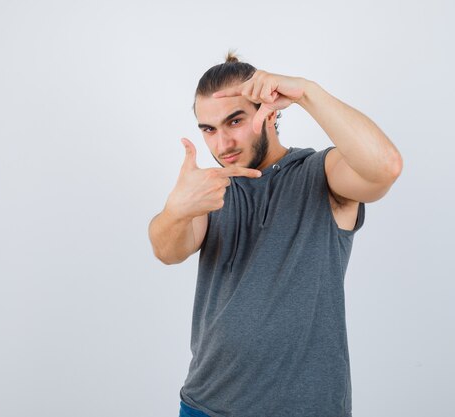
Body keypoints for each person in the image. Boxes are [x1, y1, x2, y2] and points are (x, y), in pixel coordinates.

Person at [148, 52, 403, 417]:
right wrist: (177, 210)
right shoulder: (211, 190)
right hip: (205, 406)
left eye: (234, 121)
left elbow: (385, 167)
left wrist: (308, 93)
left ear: (269, 113)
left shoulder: (320, 174)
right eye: (209, 129)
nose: (222, 145)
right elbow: (166, 250)